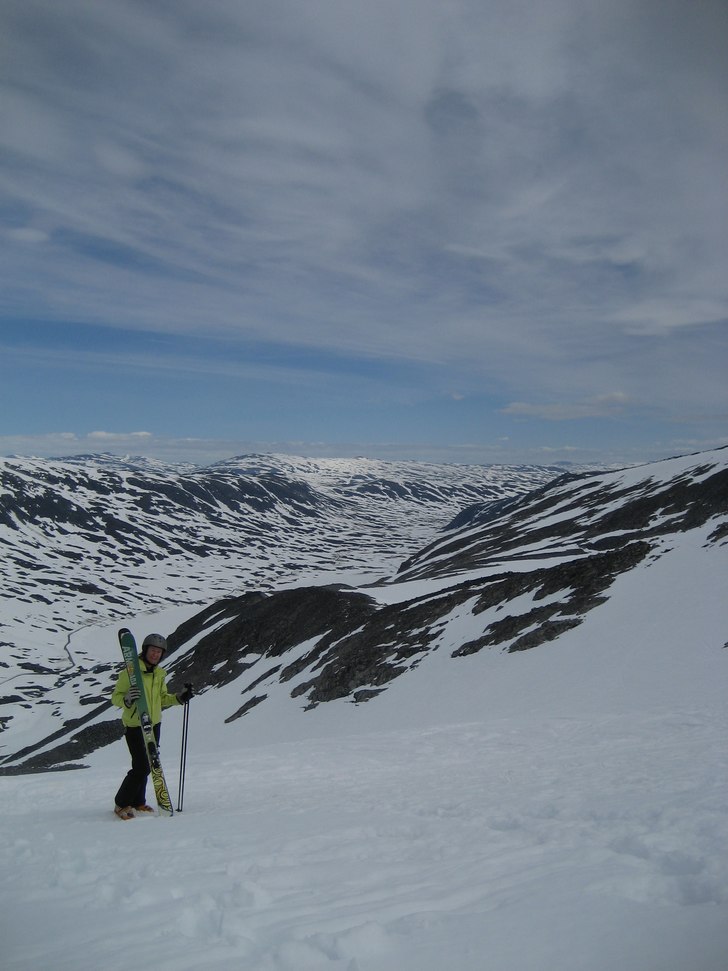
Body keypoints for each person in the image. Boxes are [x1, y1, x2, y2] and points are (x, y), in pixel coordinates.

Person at [111, 632, 193, 819]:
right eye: (153, 650)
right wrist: (127, 700)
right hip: (135, 725)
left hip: (154, 724)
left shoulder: (159, 674)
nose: (156, 655)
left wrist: (180, 698)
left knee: (149, 764)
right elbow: (115, 697)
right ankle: (122, 803)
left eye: (159, 652)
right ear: (145, 650)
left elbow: (162, 698)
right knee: (141, 766)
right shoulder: (130, 673)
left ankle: (138, 801)